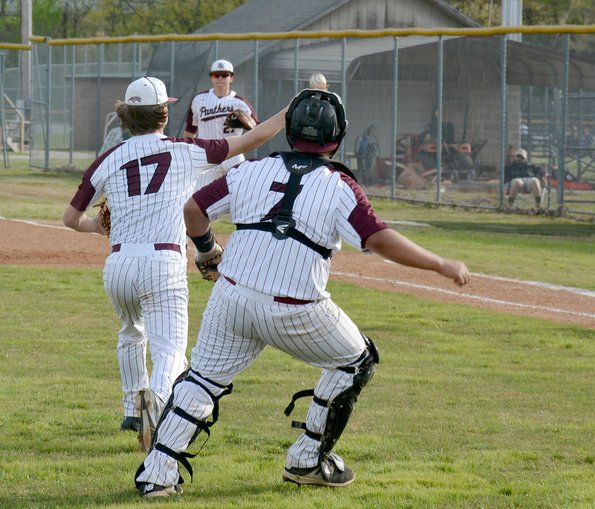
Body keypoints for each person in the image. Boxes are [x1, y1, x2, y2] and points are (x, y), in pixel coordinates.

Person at [134, 88, 470, 498]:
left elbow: (193, 209)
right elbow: (377, 238)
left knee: (202, 380)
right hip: (296, 310)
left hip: (233, 296)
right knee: (355, 361)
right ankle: (307, 459)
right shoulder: (340, 186)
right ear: (338, 136)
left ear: (289, 131)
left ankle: (156, 474)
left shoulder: (249, 170)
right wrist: (439, 264)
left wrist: (207, 251)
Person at [62, 76, 287, 453]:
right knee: (170, 351)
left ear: (126, 117)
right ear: (164, 114)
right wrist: (289, 109)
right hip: (162, 260)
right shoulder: (186, 149)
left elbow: (70, 218)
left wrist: (98, 231)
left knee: (131, 332)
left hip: (118, 263)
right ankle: (159, 406)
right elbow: (251, 139)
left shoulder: (107, 159)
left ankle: (133, 408)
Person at [184, 59, 259, 188]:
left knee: (243, 190)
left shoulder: (240, 103)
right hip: (206, 153)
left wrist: (248, 123)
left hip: (234, 151)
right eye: (216, 75)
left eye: (224, 75)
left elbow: (256, 127)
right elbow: (190, 129)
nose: (220, 78)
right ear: (211, 78)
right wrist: (186, 152)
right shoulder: (199, 99)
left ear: (232, 78)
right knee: (198, 194)